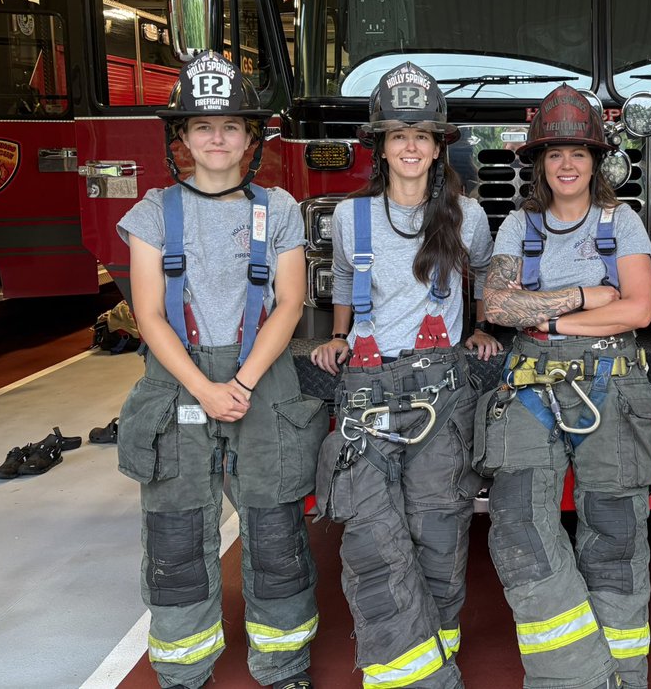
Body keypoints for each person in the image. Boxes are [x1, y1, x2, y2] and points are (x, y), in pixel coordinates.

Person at [117, 50, 325, 689]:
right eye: (202, 126)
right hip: (180, 378)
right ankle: (183, 666)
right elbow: (149, 314)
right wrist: (205, 388)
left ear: (251, 138)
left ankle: (283, 660)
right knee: (176, 532)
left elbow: (289, 303)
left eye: (231, 126)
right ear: (180, 137)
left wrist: (238, 383)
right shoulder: (153, 212)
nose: (216, 138)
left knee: (274, 528)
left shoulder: (280, 207)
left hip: (259, 373)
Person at [311, 62, 499, 689]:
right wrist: (340, 335)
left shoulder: (467, 217)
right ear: (381, 147)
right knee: (368, 529)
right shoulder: (350, 219)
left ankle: (436, 650)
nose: (411, 146)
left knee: (439, 524)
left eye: (422, 135)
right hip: (367, 385)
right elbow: (342, 279)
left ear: (439, 145)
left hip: (440, 387)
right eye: (398, 135)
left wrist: (478, 327)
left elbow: (486, 278)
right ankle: (413, 675)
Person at [477, 84, 651, 689]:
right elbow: (497, 307)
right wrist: (584, 296)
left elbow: (637, 312)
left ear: (597, 160)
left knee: (615, 527)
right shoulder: (517, 226)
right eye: (554, 153)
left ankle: (625, 674)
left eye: (578, 152)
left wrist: (548, 317)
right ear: (538, 163)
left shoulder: (623, 222)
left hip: (611, 379)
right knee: (519, 521)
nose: (566, 164)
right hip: (530, 383)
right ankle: (573, 675)